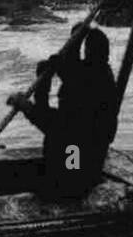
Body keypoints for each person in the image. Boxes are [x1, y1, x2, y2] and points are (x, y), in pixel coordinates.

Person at [7, 27, 119, 199]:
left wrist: (25, 105)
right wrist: (43, 84)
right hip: (79, 155)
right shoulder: (98, 76)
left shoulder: (91, 84)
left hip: (75, 164)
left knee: (69, 159)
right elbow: (71, 66)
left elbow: (54, 125)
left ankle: (67, 190)